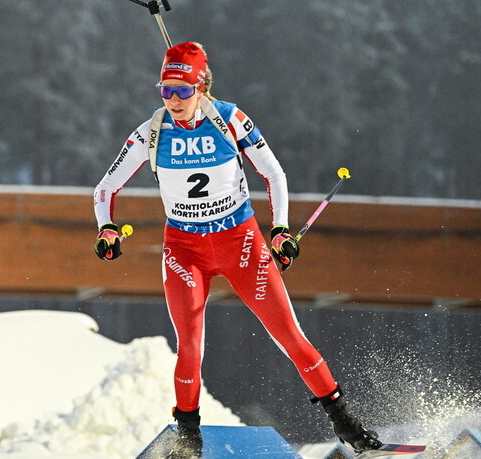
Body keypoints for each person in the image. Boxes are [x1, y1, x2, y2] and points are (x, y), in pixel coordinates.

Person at [93, 42, 381, 457]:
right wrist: (106, 229)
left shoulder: (230, 120)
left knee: (289, 337)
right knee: (189, 344)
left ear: (202, 86)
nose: (173, 100)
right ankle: (188, 440)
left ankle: (347, 425)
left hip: (240, 241)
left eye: (183, 91)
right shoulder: (150, 132)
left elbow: (274, 173)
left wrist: (280, 230)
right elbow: (105, 187)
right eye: (165, 91)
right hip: (184, 248)